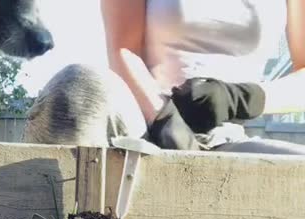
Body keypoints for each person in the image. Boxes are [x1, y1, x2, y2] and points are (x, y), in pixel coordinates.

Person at [22, 0, 305, 155]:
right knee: (77, 86)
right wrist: (164, 118)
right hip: (143, 125)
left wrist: (241, 98)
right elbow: (123, 47)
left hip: (227, 137)